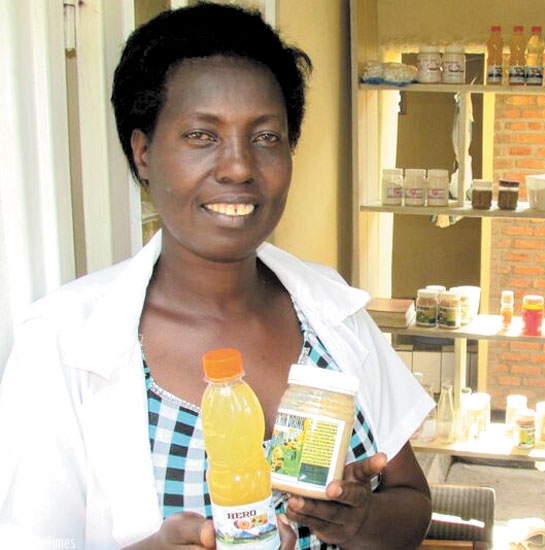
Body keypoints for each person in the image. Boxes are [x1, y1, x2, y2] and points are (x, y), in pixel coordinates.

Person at [0, 3, 434, 549]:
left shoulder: (332, 311)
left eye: (266, 137)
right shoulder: (61, 342)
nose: (239, 167)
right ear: (143, 153)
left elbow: (412, 503)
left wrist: (359, 520)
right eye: (202, 136)